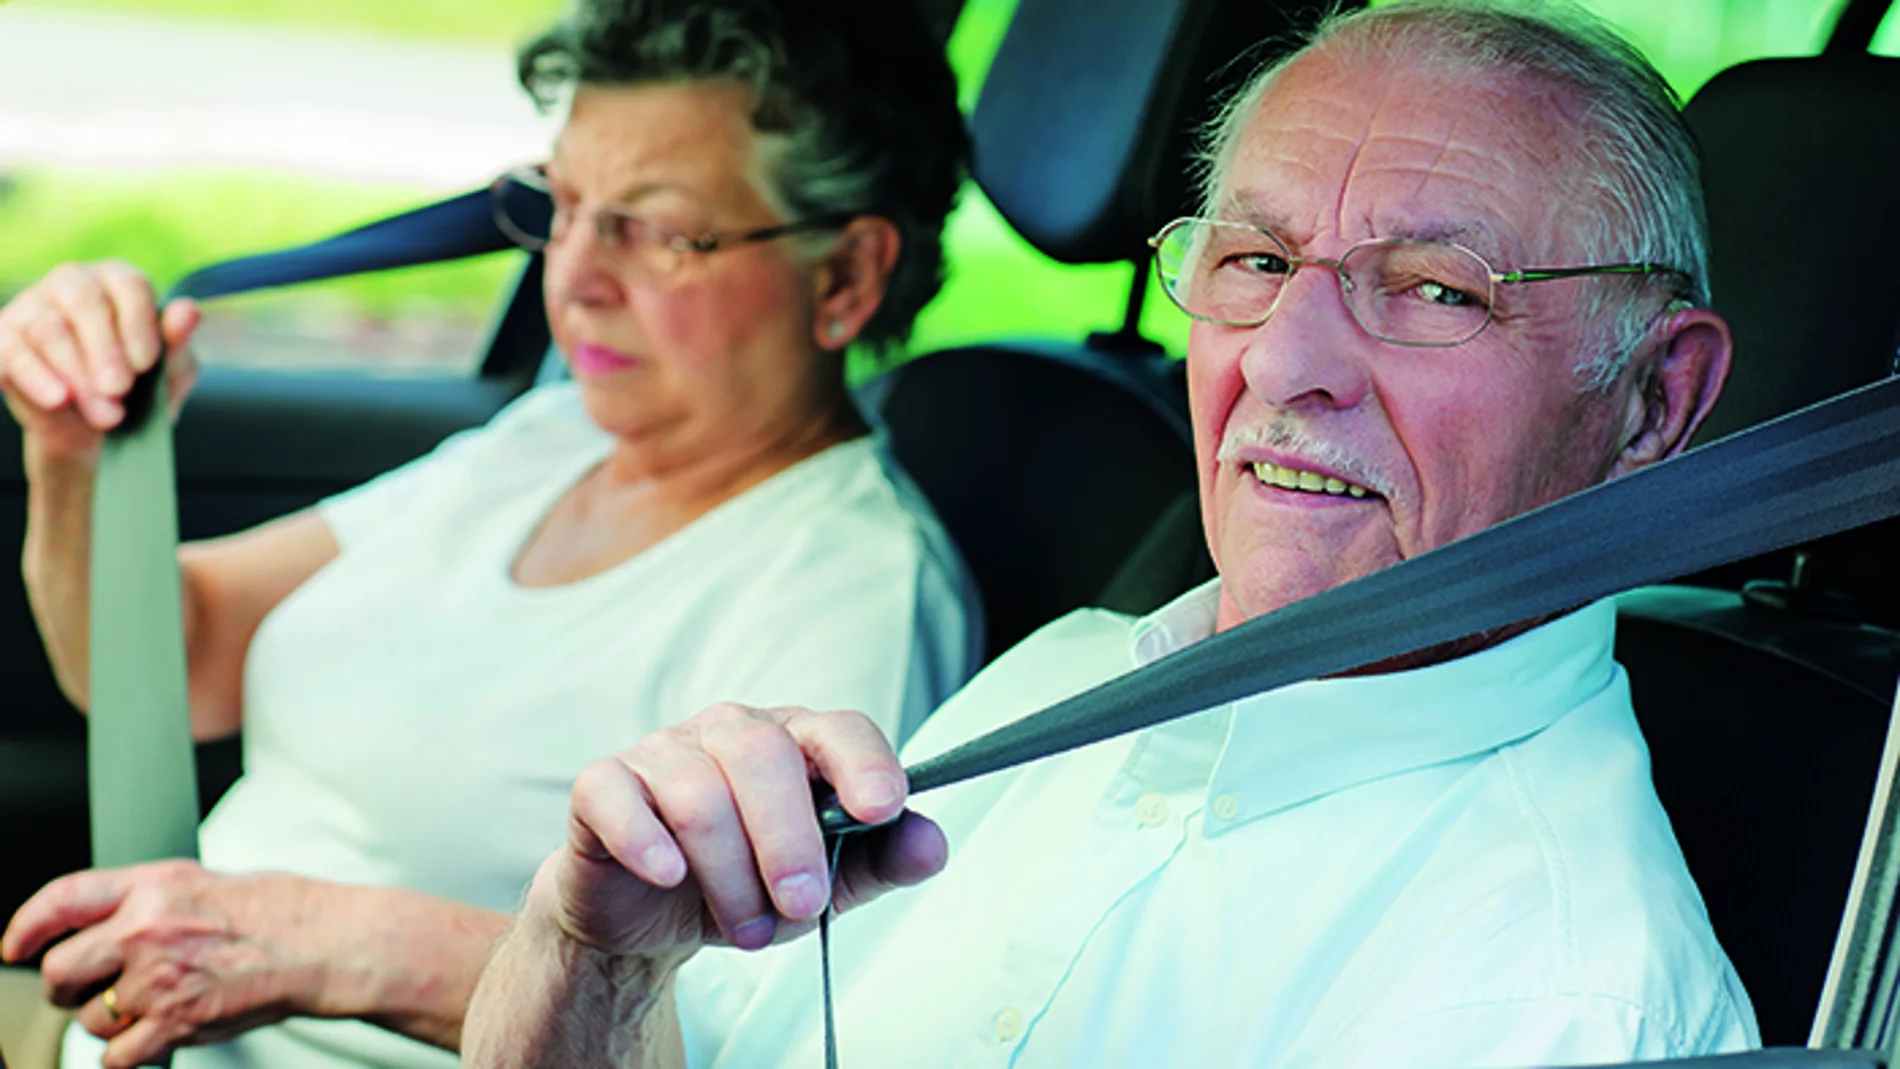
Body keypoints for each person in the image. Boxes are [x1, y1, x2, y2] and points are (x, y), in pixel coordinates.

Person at [458, 1, 1763, 1066]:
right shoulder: (1071, 672)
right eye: (1254, 261)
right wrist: (592, 965)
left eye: (1435, 289)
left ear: (1654, 402)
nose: (1281, 362)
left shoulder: (1556, 1006)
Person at [0, 2, 979, 1068]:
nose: (577, 277)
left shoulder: (850, 584)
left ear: (844, 278)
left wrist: (323, 944)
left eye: (655, 230)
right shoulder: (552, 437)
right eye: (564, 207)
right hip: (111, 1023)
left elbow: (754, 1034)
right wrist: (75, 450)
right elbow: (169, 661)